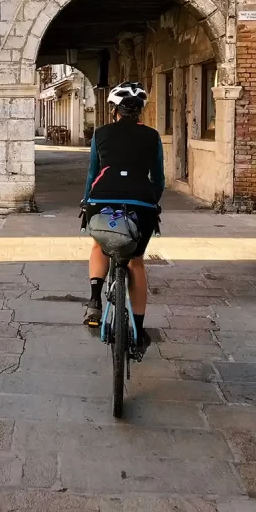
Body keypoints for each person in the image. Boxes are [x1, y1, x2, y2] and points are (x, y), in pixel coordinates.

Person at [82, 81, 164, 354]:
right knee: (136, 262)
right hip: (141, 203)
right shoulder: (152, 136)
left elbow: (93, 174)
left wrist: (86, 202)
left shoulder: (101, 134)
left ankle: (94, 300)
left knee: (99, 246)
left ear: (114, 109)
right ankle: (138, 333)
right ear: (140, 110)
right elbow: (159, 179)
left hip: (102, 199)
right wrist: (152, 202)